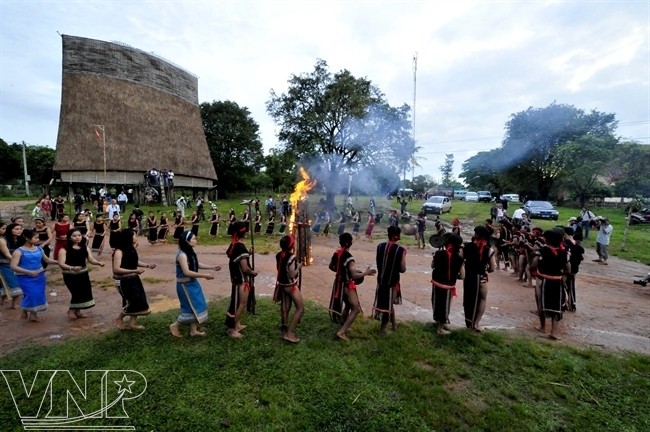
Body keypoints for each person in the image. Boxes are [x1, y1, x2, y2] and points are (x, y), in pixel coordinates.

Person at [169, 231, 221, 338]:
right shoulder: (182, 255)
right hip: (185, 286)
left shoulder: (189, 252)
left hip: (192, 283)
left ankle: (193, 330)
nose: (196, 240)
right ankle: (175, 325)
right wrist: (204, 275)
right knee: (189, 308)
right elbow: (186, 272)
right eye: (194, 238)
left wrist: (211, 267)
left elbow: (196, 264)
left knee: (197, 305)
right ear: (187, 241)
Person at [328, 232, 377, 341]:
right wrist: (366, 273)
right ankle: (341, 332)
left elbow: (331, 266)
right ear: (350, 243)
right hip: (346, 286)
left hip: (338, 284)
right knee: (355, 309)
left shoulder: (337, 253)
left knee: (348, 305)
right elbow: (354, 275)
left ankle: (343, 323)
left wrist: (341, 272)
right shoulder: (350, 258)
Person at [10, 229, 58, 322]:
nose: (38, 239)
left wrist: (59, 262)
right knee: (32, 294)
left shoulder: (39, 248)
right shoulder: (19, 251)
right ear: (27, 238)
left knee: (38, 294)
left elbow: (47, 260)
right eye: (36, 237)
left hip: (39, 276)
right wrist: (28, 272)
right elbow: (13, 266)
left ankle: (31, 313)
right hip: (25, 278)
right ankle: (28, 311)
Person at [530, 229, 570, 340]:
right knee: (557, 307)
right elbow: (568, 269)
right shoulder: (565, 252)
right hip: (558, 281)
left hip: (542, 280)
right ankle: (553, 332)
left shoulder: (542, 250)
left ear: (547, 239)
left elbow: (533, 265)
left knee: (541, 304)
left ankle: (542, 327)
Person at [112, 229, 155, 330]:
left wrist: (147, 265)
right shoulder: (119, 251)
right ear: (128, 237)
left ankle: (132, 323)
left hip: (133, 279)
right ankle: (119, 318)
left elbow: (135, 261)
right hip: (123, 281)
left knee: (139, 299)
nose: (136, 237)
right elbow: (116, 269)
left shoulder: (131, 248)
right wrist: (135, 271)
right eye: (134, 235)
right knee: (132, 300)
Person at [58, 228, 105, 319]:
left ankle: (78, 311)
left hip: (83, 274)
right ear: (69, 237)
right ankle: (71, 310)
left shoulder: (85, 247)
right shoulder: (64, 249)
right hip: (70, 275)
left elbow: (90, 259)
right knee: (76, 292)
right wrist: (72, 268)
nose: (77, 237)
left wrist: (98, 263)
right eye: (74, 236)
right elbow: (61, 264)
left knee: (84, 292)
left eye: (79, 235)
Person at [225, 221, 258, 338]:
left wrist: (247, 253)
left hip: (235, 280)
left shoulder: (234, 244)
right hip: (242, 281)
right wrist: (253, 272)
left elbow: (233, 256)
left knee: (237, 302)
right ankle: (233, 329)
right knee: (241, 303)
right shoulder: (240, 247)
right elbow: (245, 268)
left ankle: (237, 324)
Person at [372, 226, 406, 333]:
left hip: (381, 280)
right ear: (397, 236)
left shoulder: (380, 246)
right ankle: (383, 329)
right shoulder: (401, 250)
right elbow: (403, 269)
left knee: (388, 302)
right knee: (388, 304)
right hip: (392, 282)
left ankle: (394, 324)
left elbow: (379, 262)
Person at [462, 226, 495, 332]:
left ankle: (469, 322)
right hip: (481, 278)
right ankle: (476, 323)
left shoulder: (466, 246)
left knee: (468, 299)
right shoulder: (489, 250)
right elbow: (492, 268)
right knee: (482, 299)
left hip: (469, 278)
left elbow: (460, 260)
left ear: (476, 235)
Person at [273, 235, 304, 343]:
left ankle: (284, 326)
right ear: (291, 246)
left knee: (285, 306)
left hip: (282, 284)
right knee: (300, 309)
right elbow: (292, 274)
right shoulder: (291, 257)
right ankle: (289, 333)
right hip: (290, 287)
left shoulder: (279, 255)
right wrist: (299, 267)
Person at [431, 234, 465, 334]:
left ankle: (437, 321)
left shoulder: (438, 254)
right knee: (445, 305)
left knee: (436, 302)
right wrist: (455, 275)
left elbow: (432, 266)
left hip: (436, 283)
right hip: (448, 285)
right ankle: (440, 328)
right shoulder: (459, 259)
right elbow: (462, 276)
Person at [0, 223, 23, 308]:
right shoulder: (2, 240)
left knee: (15, 285)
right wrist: (17, 264)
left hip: (15, 265)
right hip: (4, 266)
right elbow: (7, 254)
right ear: (10, 230)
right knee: (13, 284)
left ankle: (13, 304)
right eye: (16, 229)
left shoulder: (20, 240)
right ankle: (7, 301)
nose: (19, 230)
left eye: (20, 229)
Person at [563, 227, 584, 311]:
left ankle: (562, 304)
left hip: (564, 269)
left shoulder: (564, 244)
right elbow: (580, 259)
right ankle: (572, 305)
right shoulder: (578, 245)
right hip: (573, 269)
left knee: (560, 286)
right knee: (570, 287)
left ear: (565, 234)